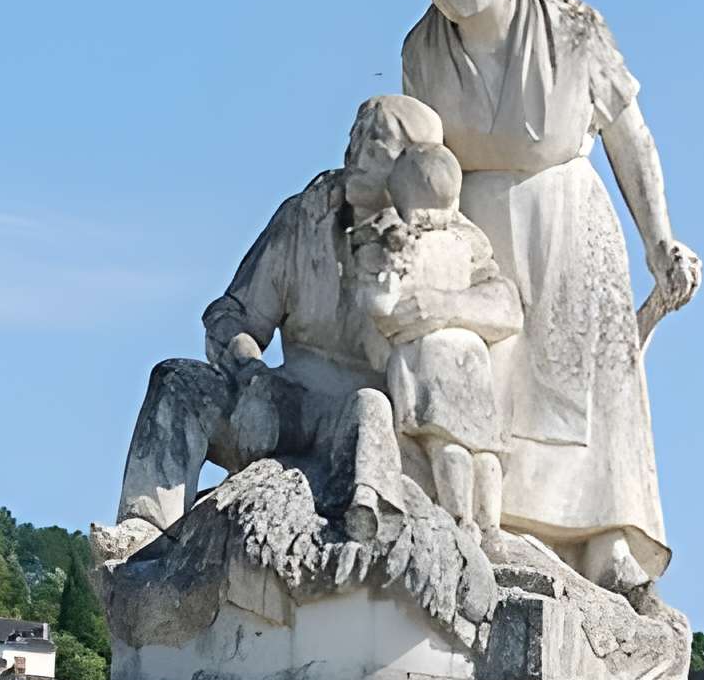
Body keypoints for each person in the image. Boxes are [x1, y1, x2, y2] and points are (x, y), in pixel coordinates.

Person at [400, 0, 701, 592]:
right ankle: (493, 521)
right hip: (473, 233)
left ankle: (606, 538)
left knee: (593, 382)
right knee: (491, 381)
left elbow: (629, 135)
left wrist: (659, 238)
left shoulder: (571, 28)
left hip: (567, 219)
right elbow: (412, 155)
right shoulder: (421, 49)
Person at [116, 94, 512, 538]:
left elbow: (505, 303)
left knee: (371, 407)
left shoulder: (444, 236)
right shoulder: (305, 217)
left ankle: (367, 526)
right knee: (176, 380)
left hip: (360, 419)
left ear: (414, 164)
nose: (355, 153)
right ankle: (144, 531)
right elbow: (234, 314)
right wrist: (247, 369)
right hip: (282, 401)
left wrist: (437, 306)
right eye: (355, 137)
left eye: (376, 143)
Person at [350, 137, 518, 537]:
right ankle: (490, 525)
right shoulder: (466, 241)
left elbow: (380, 308)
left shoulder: (396, 242)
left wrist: (386, 271)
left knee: (447, 442)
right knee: (484, 448)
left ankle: (460, 519)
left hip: (426, 355)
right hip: (472, 354)